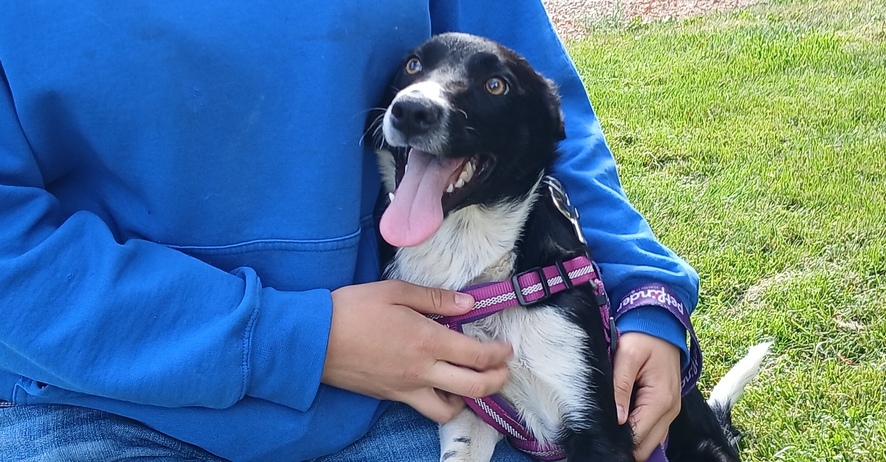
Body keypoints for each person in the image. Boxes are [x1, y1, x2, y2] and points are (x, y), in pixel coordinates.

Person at [0, 1, 700, 461]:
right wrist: (294, 338)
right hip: (96, 401)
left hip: (394, 394)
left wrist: (640, 288)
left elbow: (538, 115)